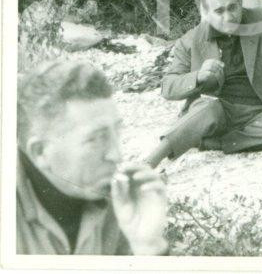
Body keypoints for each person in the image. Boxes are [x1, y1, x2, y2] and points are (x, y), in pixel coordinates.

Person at [145, 0, 262, 168]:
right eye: (219, 11)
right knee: (206, 108)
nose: (228, 17)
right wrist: (198, 76)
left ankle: (209, 142)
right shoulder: (190, 40)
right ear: (206, 13)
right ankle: (151, 160)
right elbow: (168, 87)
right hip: (217, 110)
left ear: (241, 4)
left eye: (233, 7)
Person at [17, 60, 168, 255]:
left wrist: (149, 246)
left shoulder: (116, 201)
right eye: (95, 139)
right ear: (40, 152)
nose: (117, 155)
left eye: (117, 132)